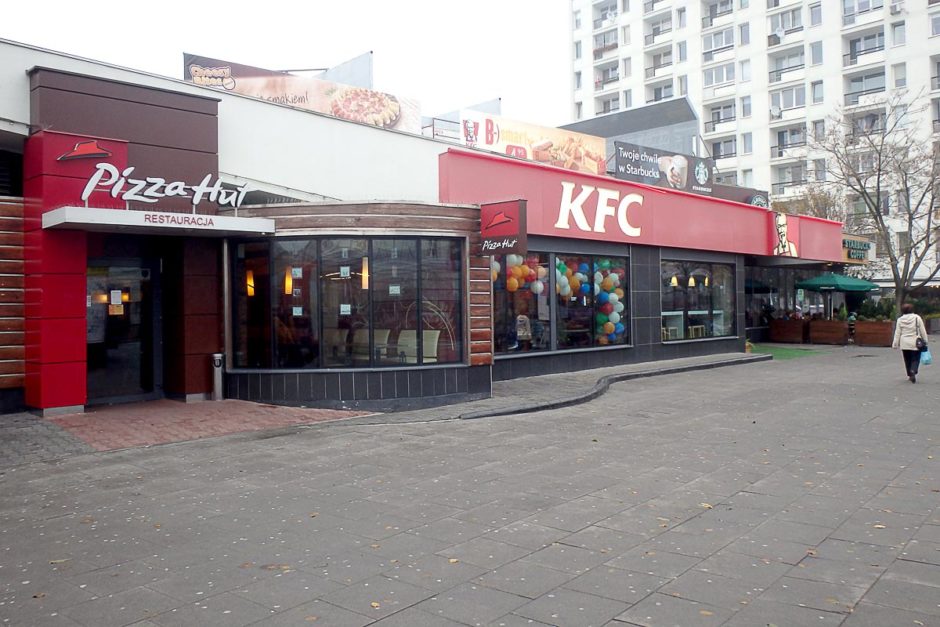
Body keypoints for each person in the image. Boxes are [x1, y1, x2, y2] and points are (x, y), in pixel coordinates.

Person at [892, 303, 928, 383]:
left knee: (907, 359)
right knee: (915, 359)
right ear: (912, 310)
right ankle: (913, 370)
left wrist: (895, 343)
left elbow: (897, 332)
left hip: (904, 342)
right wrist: (925, 340)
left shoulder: (900, 320)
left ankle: (909, 373)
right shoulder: (917, 318)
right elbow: (922, 330)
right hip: (915, 342)